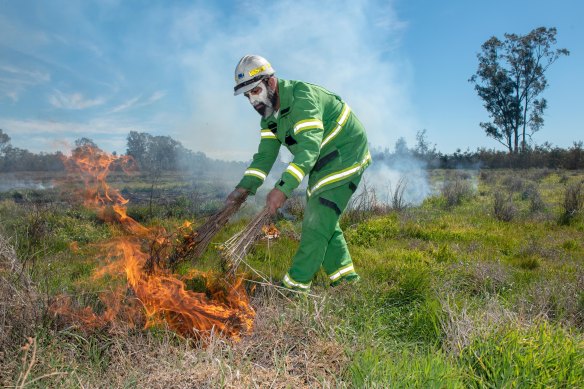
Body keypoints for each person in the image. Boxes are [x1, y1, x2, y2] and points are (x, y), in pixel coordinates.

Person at [226, 54, 371, 292]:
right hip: (323, 159)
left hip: (345, 152)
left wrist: (282, 189)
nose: (252, 101)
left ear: (270, 83)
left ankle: (294, 288)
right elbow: (264, 157)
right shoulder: (269, 117)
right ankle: (346, 281)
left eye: (255, 91)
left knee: (315, 222)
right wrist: (242, 189)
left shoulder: (303, 98)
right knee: (324, 218)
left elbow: (308, 150)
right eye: (247, 95)